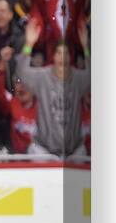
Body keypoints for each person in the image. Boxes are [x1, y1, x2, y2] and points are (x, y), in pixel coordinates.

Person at [16, 18, 90, 158]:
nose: (63, 57)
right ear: (53, 57)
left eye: (66, 53)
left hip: (74, 152)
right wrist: (29, 44)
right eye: (59, 53)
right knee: (34, 151)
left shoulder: (78, 79)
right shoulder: (42, 76)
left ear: (71, 57)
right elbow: (22, 72)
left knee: (82, 155)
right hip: (44, 151)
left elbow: (95, 76)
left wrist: (86, 48)